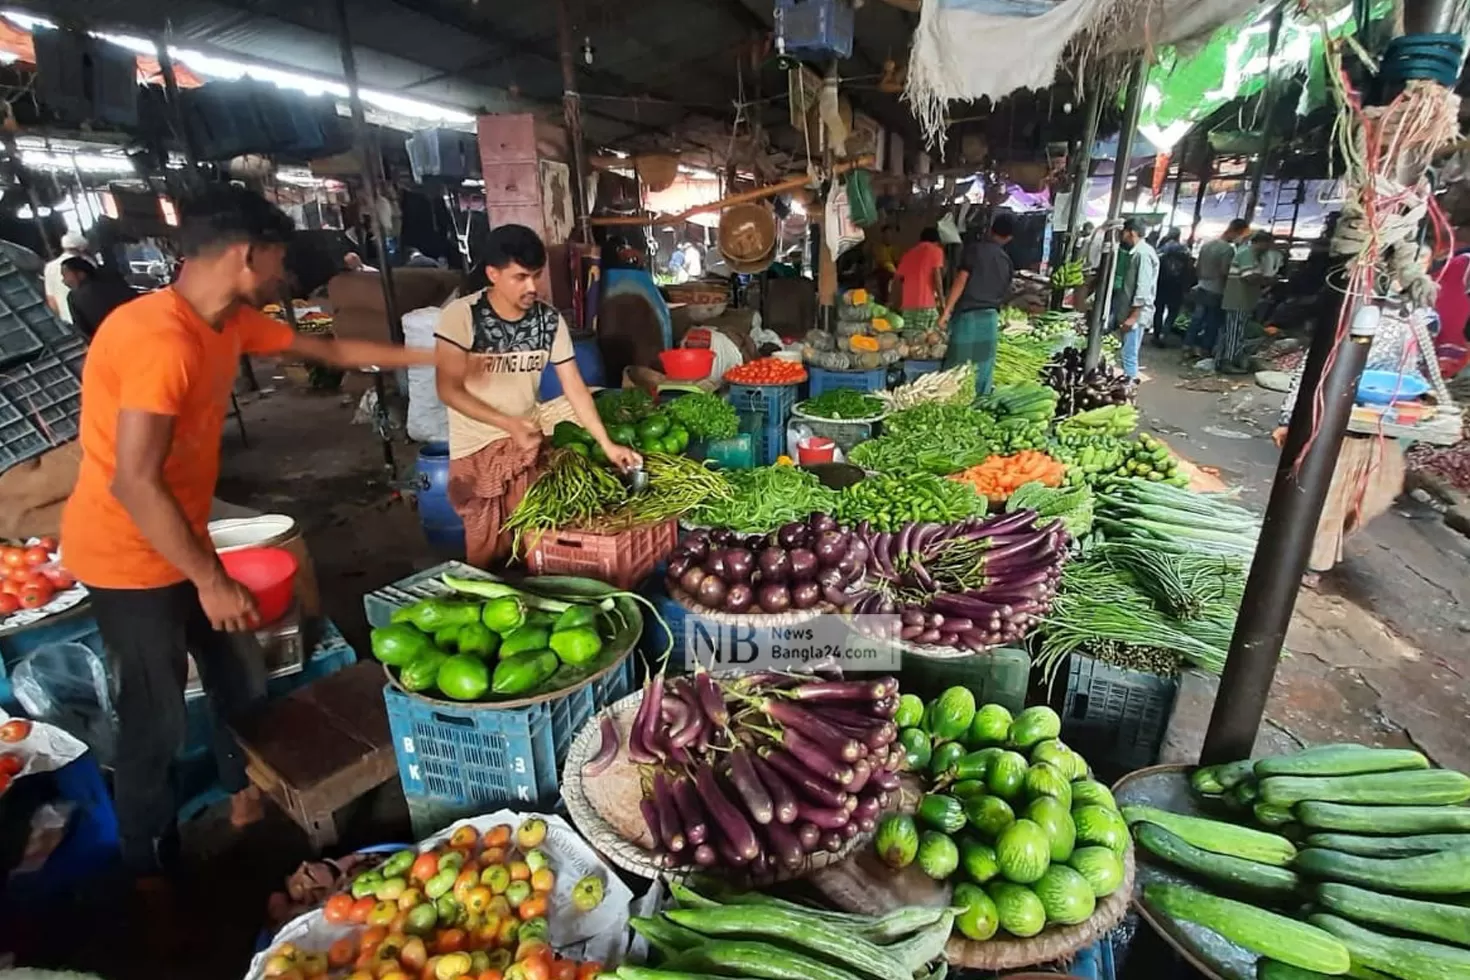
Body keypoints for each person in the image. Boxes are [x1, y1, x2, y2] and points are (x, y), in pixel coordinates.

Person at [59, 185, 432, 887]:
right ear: (245, 253)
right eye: (278, 259)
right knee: (156, 715)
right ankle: (147, 866)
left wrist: (432, 362)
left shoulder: (226, 321)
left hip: (188, 540)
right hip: (127, 557)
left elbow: (328, 347)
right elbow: (134, 483)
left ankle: (244, 804)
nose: (282, 274)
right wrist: (208, 578)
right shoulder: (156, 339)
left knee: (240, 676)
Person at [436, 224, 640, 567]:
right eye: (520, 277)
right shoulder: (462, 316)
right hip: (476, 450)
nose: (532, 287)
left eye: (537, 275)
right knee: (487, 552)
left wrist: (607, 444)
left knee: (532, 544)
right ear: (492, 274)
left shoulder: (548, 321)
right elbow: (448, 389)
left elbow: (574, 386)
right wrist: (506, 423)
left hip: (527, 447)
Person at [939, 212, 1014, 394]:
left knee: (957, 363)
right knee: (983, 366)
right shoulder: (1007, 261)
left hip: (968, 317)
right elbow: (1005, 293)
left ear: (991, 229)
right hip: (989, 319)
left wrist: (946, 311)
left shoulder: (975, 250)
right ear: (1010, 237)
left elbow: (961, 281)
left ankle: (949, 401)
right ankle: (980, 403)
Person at [1218, 230, 1283, 373]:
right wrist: (1268, 280)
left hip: (1244, 301)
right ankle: (1227, 362)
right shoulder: (1247, 254)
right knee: (1234, 333)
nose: (1269, 248)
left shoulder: (1253, 256)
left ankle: (1230, 360)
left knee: (1237, 332)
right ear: (1261, 243)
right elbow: (1249, 277)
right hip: (1237, 300)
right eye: (1268, 244)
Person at [1184, 218, 1249, 360]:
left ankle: (1188, 345)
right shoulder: (1227, 250)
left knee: (1197, 319)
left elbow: (1197, 267)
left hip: (1201, 286)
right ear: (1236, 231)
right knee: (1212, 322)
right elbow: (1224, 271)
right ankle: (1204, 349)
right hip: (1217, 290)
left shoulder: (1207, 245)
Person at [1114, 218, 1158, 380]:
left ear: (1131, 232)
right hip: (1131, 310)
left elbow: (1143, 288)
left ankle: (1129, 388)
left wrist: (1133, 317)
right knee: (1128, 352)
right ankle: (1128, 386)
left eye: (1123, 232)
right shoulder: (1138, 252)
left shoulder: (1142, 254)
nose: (1122, 236)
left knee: (1129, 355)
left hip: (1137, 314)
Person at [61, 257, 137, 340]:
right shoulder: (113, 279)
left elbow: (84, 330)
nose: (64, 281)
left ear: (81, 274)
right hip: (137, 329)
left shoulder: (74, 298)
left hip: (112, 341)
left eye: (65, 276)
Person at [890, 227, 946, 337]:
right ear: (936, 241)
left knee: (910, 340)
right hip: (926, 304)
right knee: (930, 339)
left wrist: (893, 302)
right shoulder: (936, 250)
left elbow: (896, 280)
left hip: (908, 305)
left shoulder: (908, 253)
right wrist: (942, 302)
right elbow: (937, 278)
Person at [1154, 228, 1193, 346]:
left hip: (1161, 283)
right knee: (1173, 311)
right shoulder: (1185, 250)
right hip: (1177, 285)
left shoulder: (1161, 249)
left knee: (1158, 310)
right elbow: (1189, 269)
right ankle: (1164, 333)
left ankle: (1156, 334)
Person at [43, 231, 90, 324]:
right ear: (80, 249)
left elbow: (51, 298)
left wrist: (59, 320)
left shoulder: (49, 268)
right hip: (88, 316)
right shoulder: (84, 263)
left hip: (67, 320)